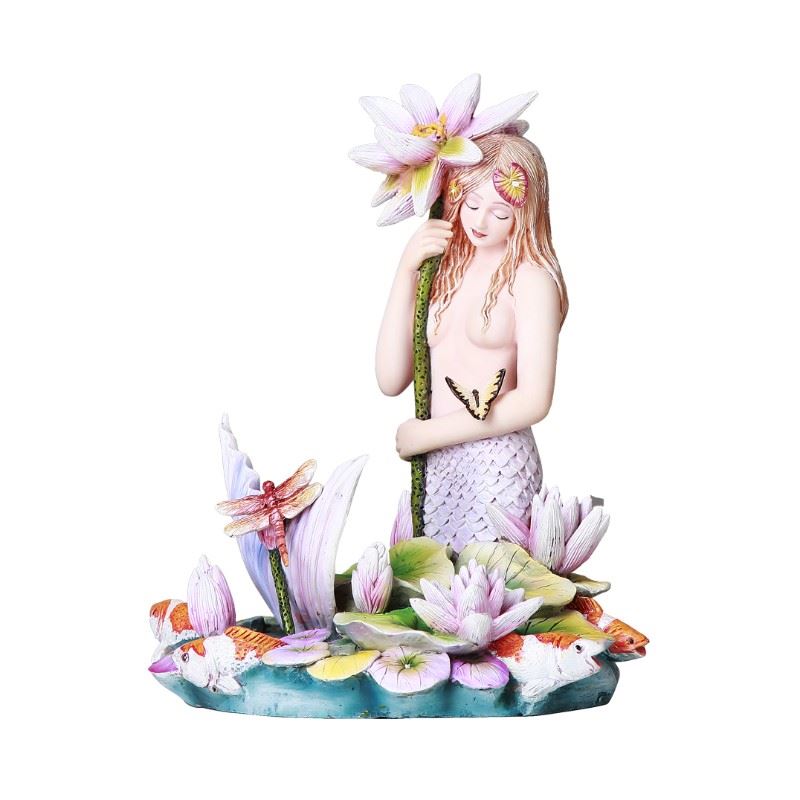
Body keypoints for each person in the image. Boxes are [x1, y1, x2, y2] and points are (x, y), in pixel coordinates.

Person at [375, 132, 568, 553]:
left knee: (487, 578)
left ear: (526, 212)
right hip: (438, 468)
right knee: (436, 579)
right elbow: (391, 379)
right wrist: (406, 272)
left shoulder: (531, 280)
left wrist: (429, 434)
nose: (480, 222)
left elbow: (534, 400)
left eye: (499, 212)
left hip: (497, 465)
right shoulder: (445, 268)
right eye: (471, 203)